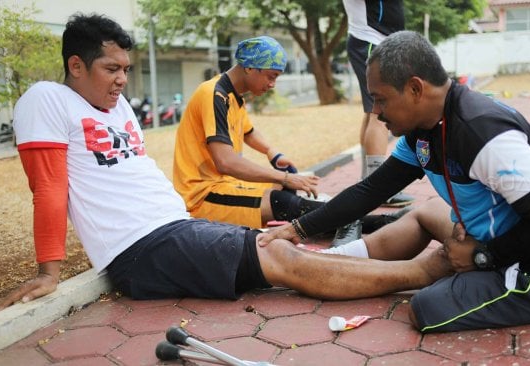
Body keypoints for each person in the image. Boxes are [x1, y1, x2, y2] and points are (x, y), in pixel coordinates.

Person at [0, 14, 444, 311]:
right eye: (111, 68)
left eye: (126, 69)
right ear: (75, 65)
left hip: (175, 224)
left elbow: (247, 135)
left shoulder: (116, 106)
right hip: (143, 245)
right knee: (284, 255)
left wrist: (276, 157)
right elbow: (49, 186)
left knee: (280, 248)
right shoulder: (47, 100)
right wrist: (48, 271)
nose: (122, 80)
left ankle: (400, 254)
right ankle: (426, 272)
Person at [259, 30, 530, 333]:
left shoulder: (483, 134)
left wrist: (481, 256)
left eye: (381, 98)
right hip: (482, 239)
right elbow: (370, 190)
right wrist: (298, 228)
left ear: (415, 89)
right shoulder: (422, 132)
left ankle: (420, 271)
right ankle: (332, 263)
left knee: (426, 309)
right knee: (423, 214)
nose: (377, 111)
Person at [172, 35, 402, 233]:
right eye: (271, 76)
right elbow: (226, 162)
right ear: (250, 67)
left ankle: (351, 221)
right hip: (201, 195)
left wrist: (273, 154)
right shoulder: (214, 94)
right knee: (283, 200)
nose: (273, 84)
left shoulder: (232, 96)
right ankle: (378, 223)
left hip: (221, 185)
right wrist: (282, 176)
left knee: (288, 193)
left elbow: (248, 132)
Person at [343, 0, 413, 207]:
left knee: (372, 112)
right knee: (380, 112)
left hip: (375, 41)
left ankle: (369, 181)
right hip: (370, 40)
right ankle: (378, 189)